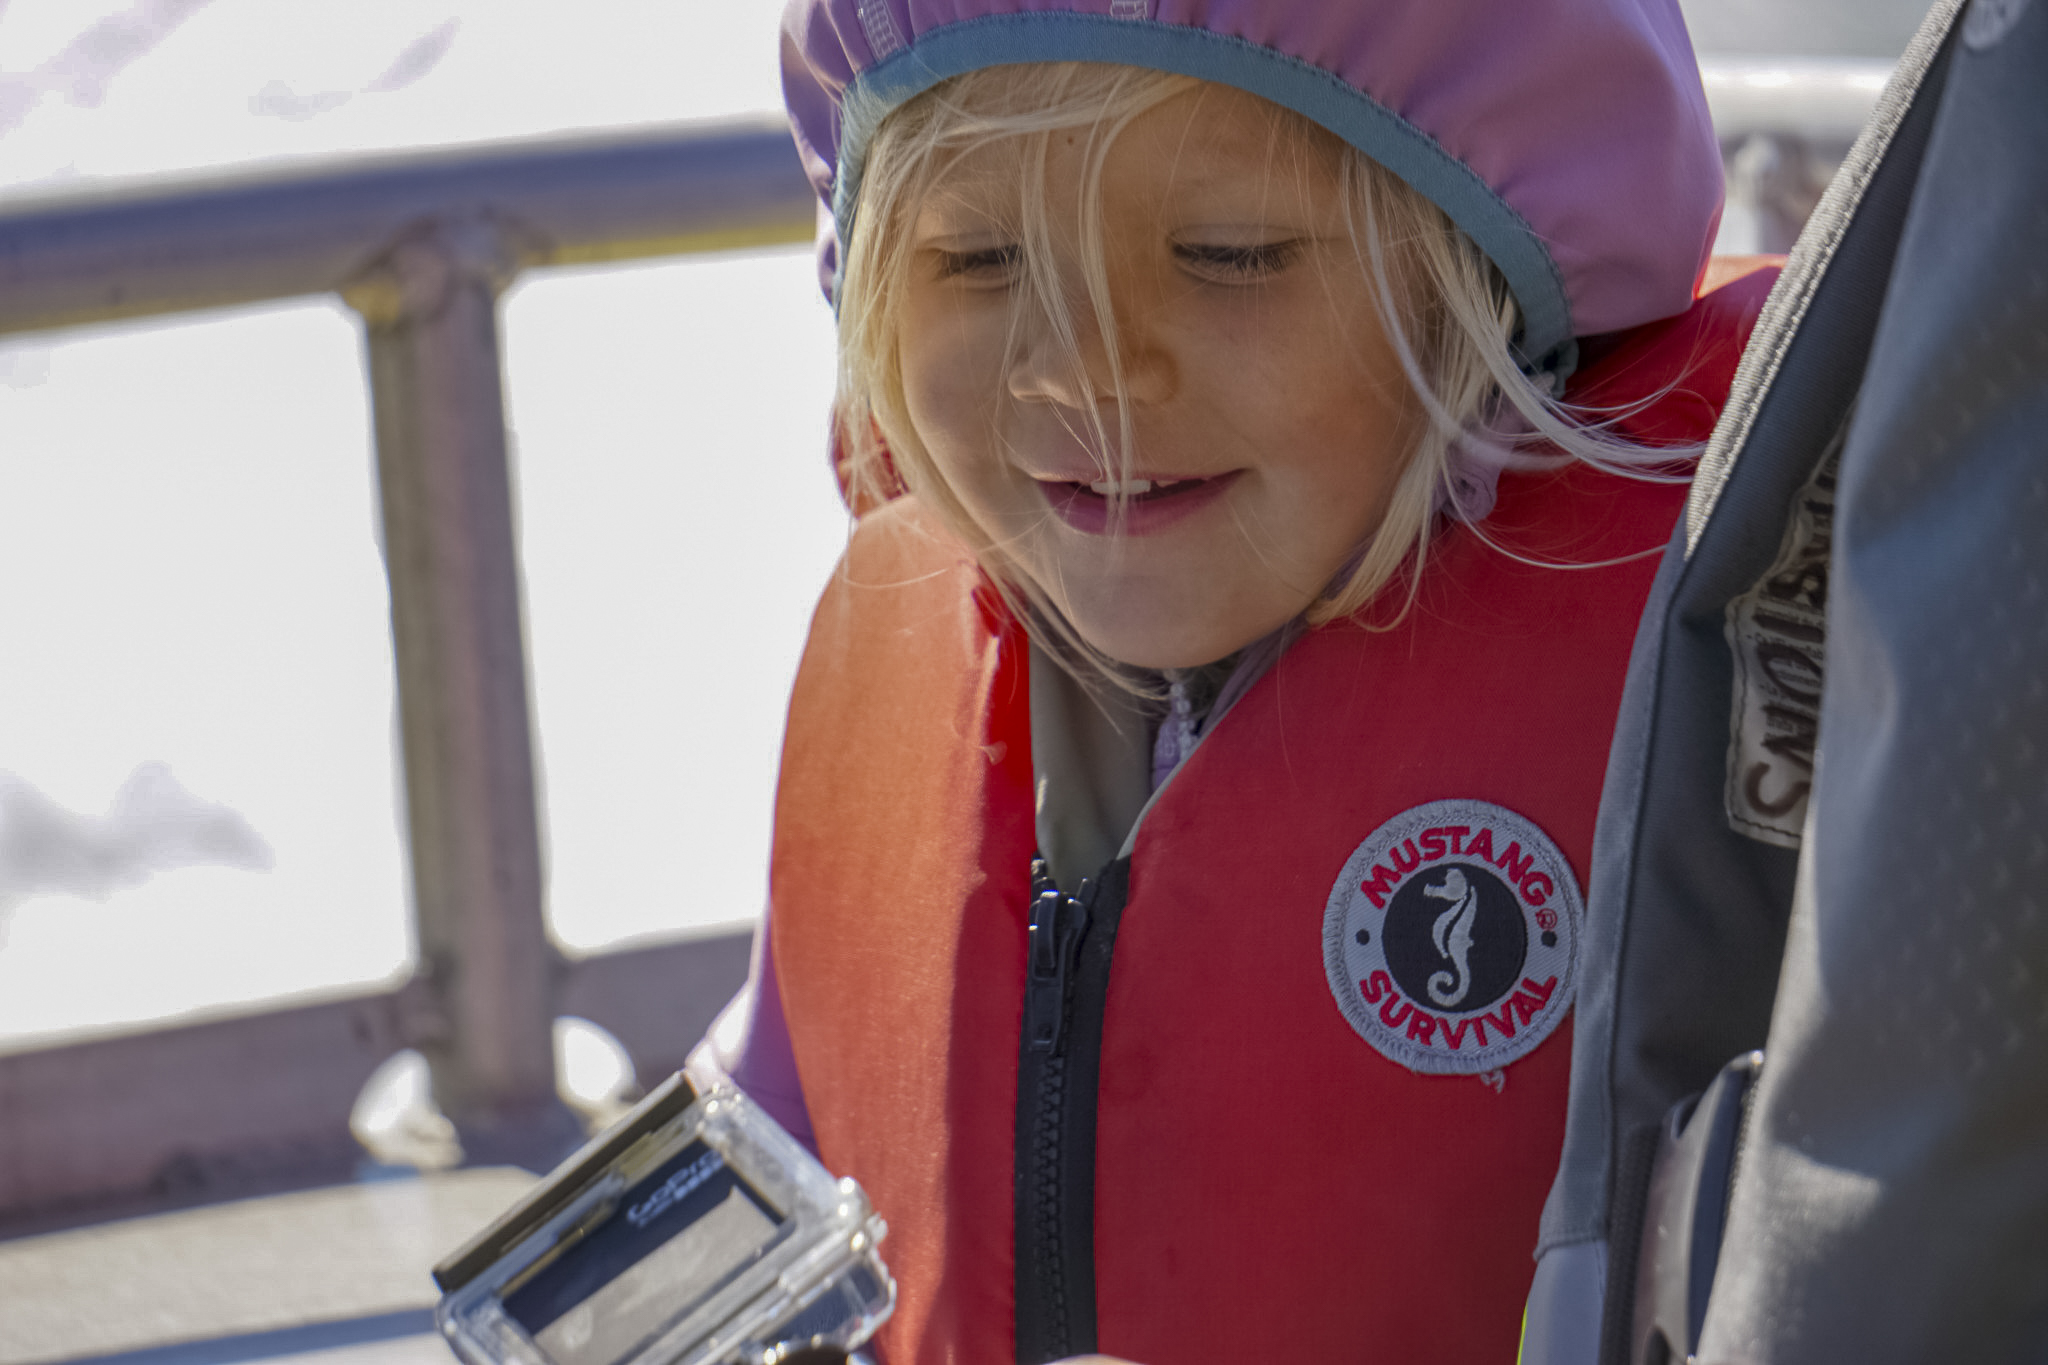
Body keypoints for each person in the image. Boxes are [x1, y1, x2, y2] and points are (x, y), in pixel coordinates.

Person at [687, 2, 1775, 1361]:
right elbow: (772, 1154)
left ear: (1482, 274)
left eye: (1228, 254)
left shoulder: (1721, 691)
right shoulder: (905, 701)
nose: (1084, 372)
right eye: (976, 258)